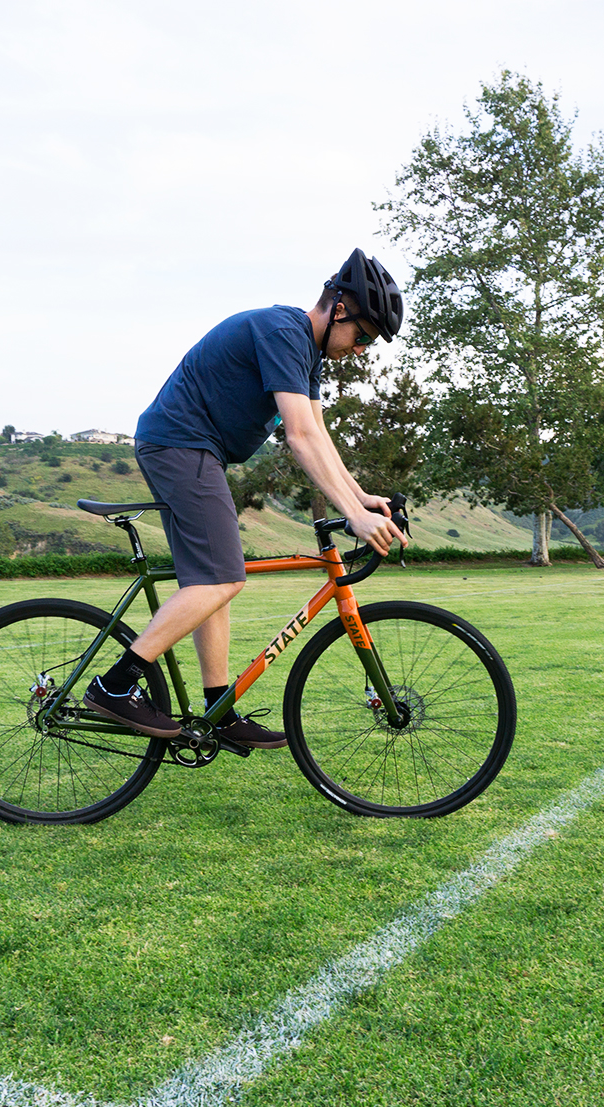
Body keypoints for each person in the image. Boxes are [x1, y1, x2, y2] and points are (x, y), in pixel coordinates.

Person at [83, 249, 409, 750]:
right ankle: (117, 685)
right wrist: (352, 516)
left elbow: (317, 432)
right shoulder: (284, 332)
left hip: (194, 449)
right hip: (182, 444)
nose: (361, 349)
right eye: (363, 336)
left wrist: (360, 498)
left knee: (211, 581)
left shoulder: (305, 350)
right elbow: (298, 436)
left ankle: (218, 709)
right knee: (224, 577)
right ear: (339, 310)